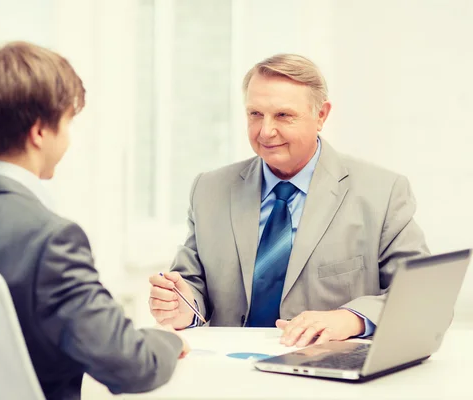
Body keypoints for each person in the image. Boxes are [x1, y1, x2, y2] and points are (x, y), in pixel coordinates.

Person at [0, 41, 188, 400]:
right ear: (40, 131)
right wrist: (168, 339)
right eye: (68, 123)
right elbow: (131, 366)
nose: (69, 138)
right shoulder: (50, 240)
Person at [148, 53, 429, 348]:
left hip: (325, 372)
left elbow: (422, 295)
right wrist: (182, 306)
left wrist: (350, 319)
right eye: (255, 114)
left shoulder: (381, 192)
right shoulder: (210, 189)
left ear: (321, 115)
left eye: (283, 115)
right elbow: (192, 283)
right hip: (229, 370)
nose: (266, 131)